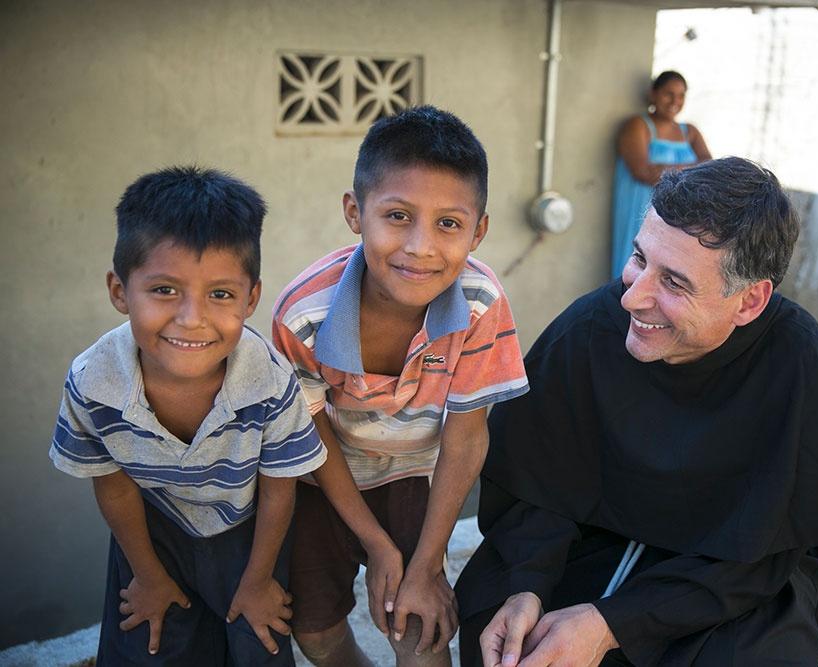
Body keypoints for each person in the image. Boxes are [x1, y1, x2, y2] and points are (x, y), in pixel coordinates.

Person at [456, 157, 818, 667]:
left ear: (750, 301)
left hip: (736, 571)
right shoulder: (590, 329)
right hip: (590, 532)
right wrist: (526, 586)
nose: (633, 297)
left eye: (675, 283)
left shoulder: (801, 366)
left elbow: (767, 552)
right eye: (640, 259)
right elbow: (538, 483)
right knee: (502, 631)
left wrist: (611, 624)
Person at [272, 105, 529, 667]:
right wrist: (376, 543)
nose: (420, 247)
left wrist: (426, 562)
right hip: (325, 482)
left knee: (420, 629)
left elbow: (465, 440)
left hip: (417, 476)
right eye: (396, 216)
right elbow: (311, 441)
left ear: (478, 231)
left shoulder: (481, 303)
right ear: (354, 212)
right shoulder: (303, 318)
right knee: (314, 634)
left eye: (449, 224)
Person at [49, 167, 328, 665]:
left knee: (256, 642)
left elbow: (278, 487)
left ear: (250, 299)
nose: (191, 318)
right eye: (164, 291)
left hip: (246, 532)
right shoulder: (93, 382)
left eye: (220, 294)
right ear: (119, 291)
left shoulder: (270, 383)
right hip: (151, 526)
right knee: (146, 643)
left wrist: (260, 578)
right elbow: (111, 483)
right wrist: (148, 574)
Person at [611, 70, 712, 277]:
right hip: (641, 208)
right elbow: (644, 172)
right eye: (669, 94)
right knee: (635, 264)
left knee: (671, 270)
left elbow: (709, 168)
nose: (675, 101)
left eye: (681, 95)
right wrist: (692, 166)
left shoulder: (689, 131)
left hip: (679, 212)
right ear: (653, 93)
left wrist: (663, 169)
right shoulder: (638, 125)